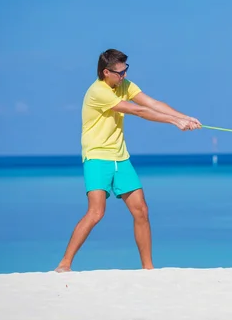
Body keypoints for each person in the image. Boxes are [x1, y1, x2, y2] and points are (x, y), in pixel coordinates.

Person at [55, 49, 202, 272]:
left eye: (126, 71)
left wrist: (184, 117)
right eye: (120, 72)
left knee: (141, 210)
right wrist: (174, 122)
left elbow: (152, 103)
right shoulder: (98, 92)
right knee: (96, 212)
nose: (124, 76)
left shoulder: (123, 85)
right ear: (106, 72)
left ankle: (148, 268)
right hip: (97, 157)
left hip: (120, 157)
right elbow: (138, 111)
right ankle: (64, 264)